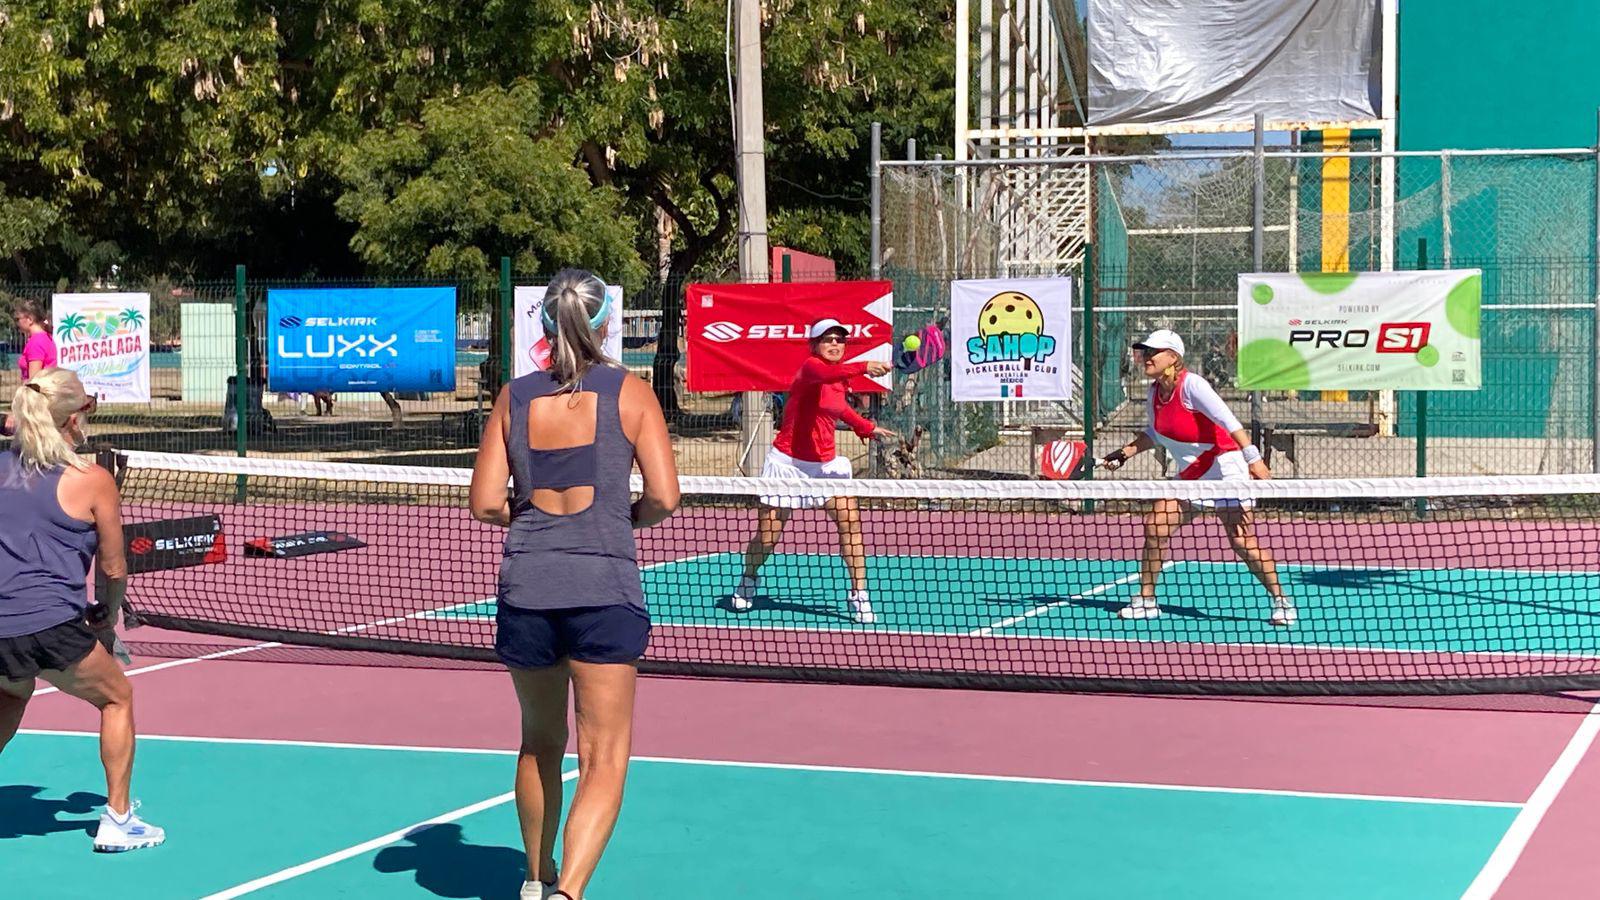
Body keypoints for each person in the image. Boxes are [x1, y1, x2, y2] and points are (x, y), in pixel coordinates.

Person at [469, 268, 679, 900]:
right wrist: (622, 516)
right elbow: (665, 497)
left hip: (528, 592)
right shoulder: (631, 394)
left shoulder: (514, 397)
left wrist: (531, 519)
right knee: (604, 756)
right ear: (607, 323)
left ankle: (536, 880)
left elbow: (485, 503)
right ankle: (569, 893)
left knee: (538, 742)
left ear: (544, 325)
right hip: (603, 592)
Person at [0, 367, 165, 851]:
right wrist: (107, 617)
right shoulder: (93, 480)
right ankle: (118, 821)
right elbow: (113, 569)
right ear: (74, 418)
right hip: (50, 625)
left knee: (11, 693)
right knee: (117, 698)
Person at [1101, 329, 1296, 626]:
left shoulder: (1193, 385)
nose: (1146, 357)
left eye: (1153, 352)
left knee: (1241, 541)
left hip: (1224, 467)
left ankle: (1282, 601)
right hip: (1192, 474)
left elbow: (1228, 420)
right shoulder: (1154, 392)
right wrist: (1124, 453)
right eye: (1145, 352)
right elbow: (1155, 433)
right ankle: (1146, 601)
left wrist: (1253, 459)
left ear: (1173, 357)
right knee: (1155, 526)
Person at [731, 318, 896, 624]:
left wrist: (865, 426)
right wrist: (865, 366)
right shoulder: (811, 368)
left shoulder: (838, 378)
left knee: (850, 522)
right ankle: (749, 578)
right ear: (814, 345)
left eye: (840, 339)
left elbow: (837, 408)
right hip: (787, 464)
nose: (835, 344)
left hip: (825, 466)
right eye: (827, 339)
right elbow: (828, 374)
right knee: (767, 537)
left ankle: (859, 594)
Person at [14, 299, 57, 382]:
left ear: (30, 319)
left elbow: (34, 382)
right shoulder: (45, 337)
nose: (17, 323)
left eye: (18, 319)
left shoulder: (36, 342)